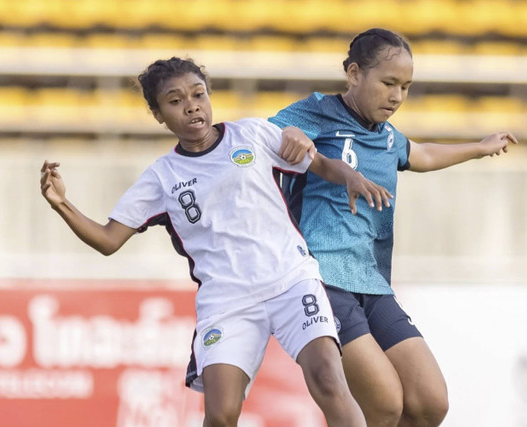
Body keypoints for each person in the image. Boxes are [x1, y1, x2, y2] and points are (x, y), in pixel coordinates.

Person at [39, 57, 394, 426]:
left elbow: (319, 164)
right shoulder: (161, 178)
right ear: (159, 114)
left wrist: (350, 176)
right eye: (175, 101)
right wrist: (62, 203)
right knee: (221, 414)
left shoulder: (253, 135)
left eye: (198, 94)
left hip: (291, 280)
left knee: (327, 379)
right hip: (227, 302)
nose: (191, 105)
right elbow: (108, 239)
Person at [269, 28, 519, 427]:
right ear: (353, 74)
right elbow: (270, 133)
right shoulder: (318, 111)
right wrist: (291, 133)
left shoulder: (386, 136)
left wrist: (479, 147)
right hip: (320, 278)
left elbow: (420, 153)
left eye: (405, 86)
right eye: (388, 83)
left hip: (371, 281)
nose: (397, 96)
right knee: (384, 405)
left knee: (429, 403)